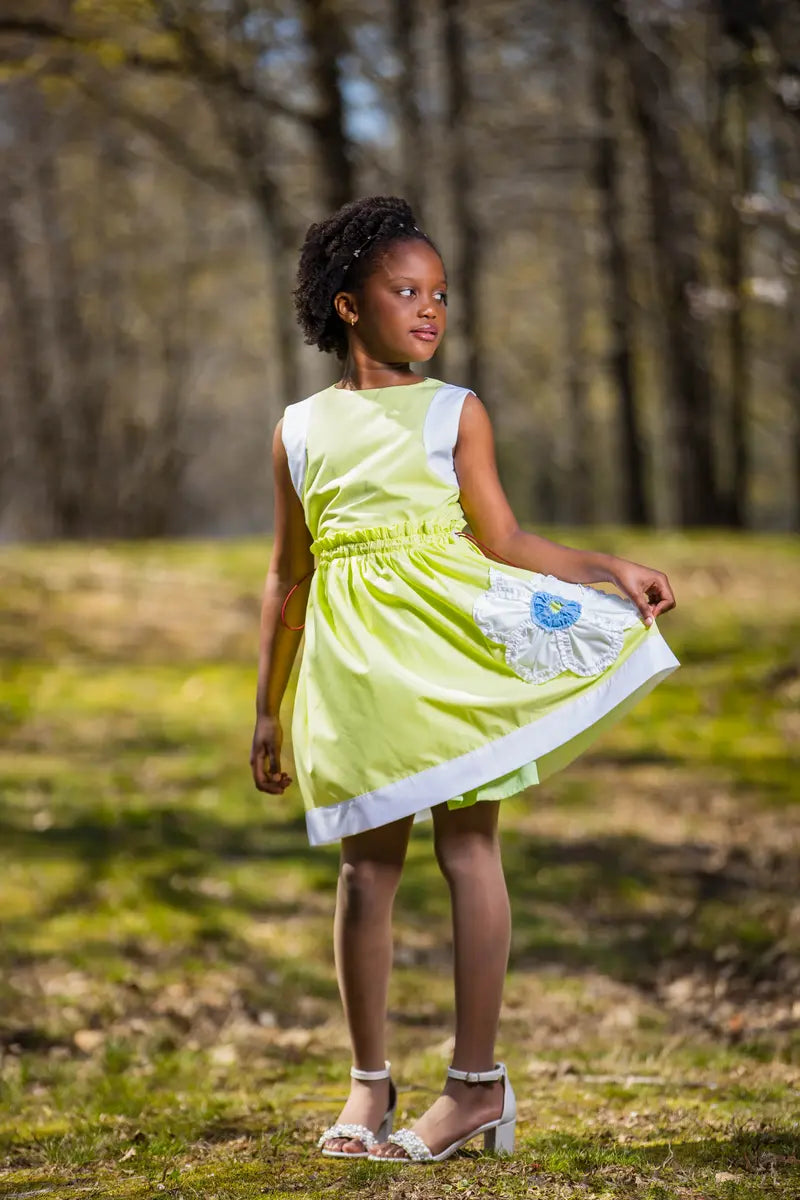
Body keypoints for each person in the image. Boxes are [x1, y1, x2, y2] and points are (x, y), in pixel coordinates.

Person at [250, 195, 679, 1163]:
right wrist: (265, 707)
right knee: (366, 872)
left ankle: (473, 1088)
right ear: (346, 304)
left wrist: (606, 566)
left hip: (451, 663)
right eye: (405, 290)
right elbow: (288, 574)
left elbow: (506, 540)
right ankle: (367, 1086)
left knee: (467, 854)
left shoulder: (456, 411)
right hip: (354, 679)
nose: (428, 308)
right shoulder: (299, 431)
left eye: (438, 292)